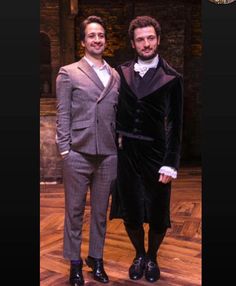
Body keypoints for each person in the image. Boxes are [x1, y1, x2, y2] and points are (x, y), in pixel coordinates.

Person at [110, 15, 183, 283]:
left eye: (150, 38)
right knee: (130, 209)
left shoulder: (173, 78)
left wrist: (171, 163)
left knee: (157, 212)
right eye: (140, 39)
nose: (146, 43)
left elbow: (176, 124)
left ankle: (152, 256)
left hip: (157, 154)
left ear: (158, 39)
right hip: (126, 152)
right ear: (133, 43)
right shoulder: (120, 72)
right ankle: (138, 254)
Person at [56, 15, 120, 286]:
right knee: (74, 211)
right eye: (91, 35)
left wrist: (119, 143)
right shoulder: (69, 72)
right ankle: (74, 263)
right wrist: (64, 150)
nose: (97, 39)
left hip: (107, 154)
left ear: (105, 39)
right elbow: (63, 114)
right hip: (78, 153)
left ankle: (96, 258)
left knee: (100, 212)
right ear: (83, 41)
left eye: (101, 35)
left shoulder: (115, 75)